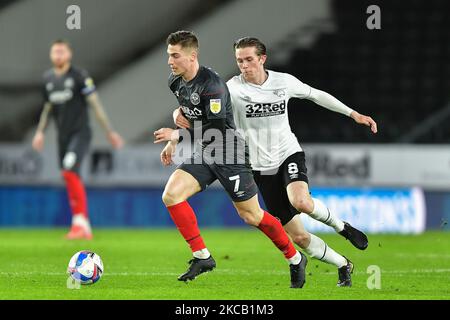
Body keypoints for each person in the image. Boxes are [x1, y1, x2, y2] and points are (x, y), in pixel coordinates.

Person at [174, 37, 378, 287]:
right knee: (299, 237)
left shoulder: (284, 82)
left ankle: (342, 227)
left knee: (301, 201)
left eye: (249, 59)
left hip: (287, 153)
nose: (244, 65)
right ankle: (343, 264)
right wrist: (178, 114)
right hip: (259, 167)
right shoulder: (232, 89)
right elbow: (205, 111)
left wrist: (353, 114)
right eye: (239, 61)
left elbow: (316, 95)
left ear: (262, 59)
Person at [154, 30, 308, 288]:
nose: (170, 61)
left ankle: (294, 258)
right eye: (168, 55)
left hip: (228, 152)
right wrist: (173, 138)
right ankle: (202, 257)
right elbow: (187, 111)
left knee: (251, 216)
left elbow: (214, 129)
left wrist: (178, 135)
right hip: (206, 150)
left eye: (174, 55)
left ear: (192, 57)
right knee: (171, 195)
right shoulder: (176, 81)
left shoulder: (212, 86)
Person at [32, 39, 124, 240]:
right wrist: (39, 132)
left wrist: (110, 132)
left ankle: (80, 223)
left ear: (69, 54)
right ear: (50, 54)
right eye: (55, 51)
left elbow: (95, 104)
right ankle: (82, 224)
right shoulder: (48, 79)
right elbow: (47, 109)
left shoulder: (79, 76)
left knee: (69, 169)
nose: (58, 55)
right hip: (62, 136)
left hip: (80, 133)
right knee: (68, 174)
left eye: (61, 51)